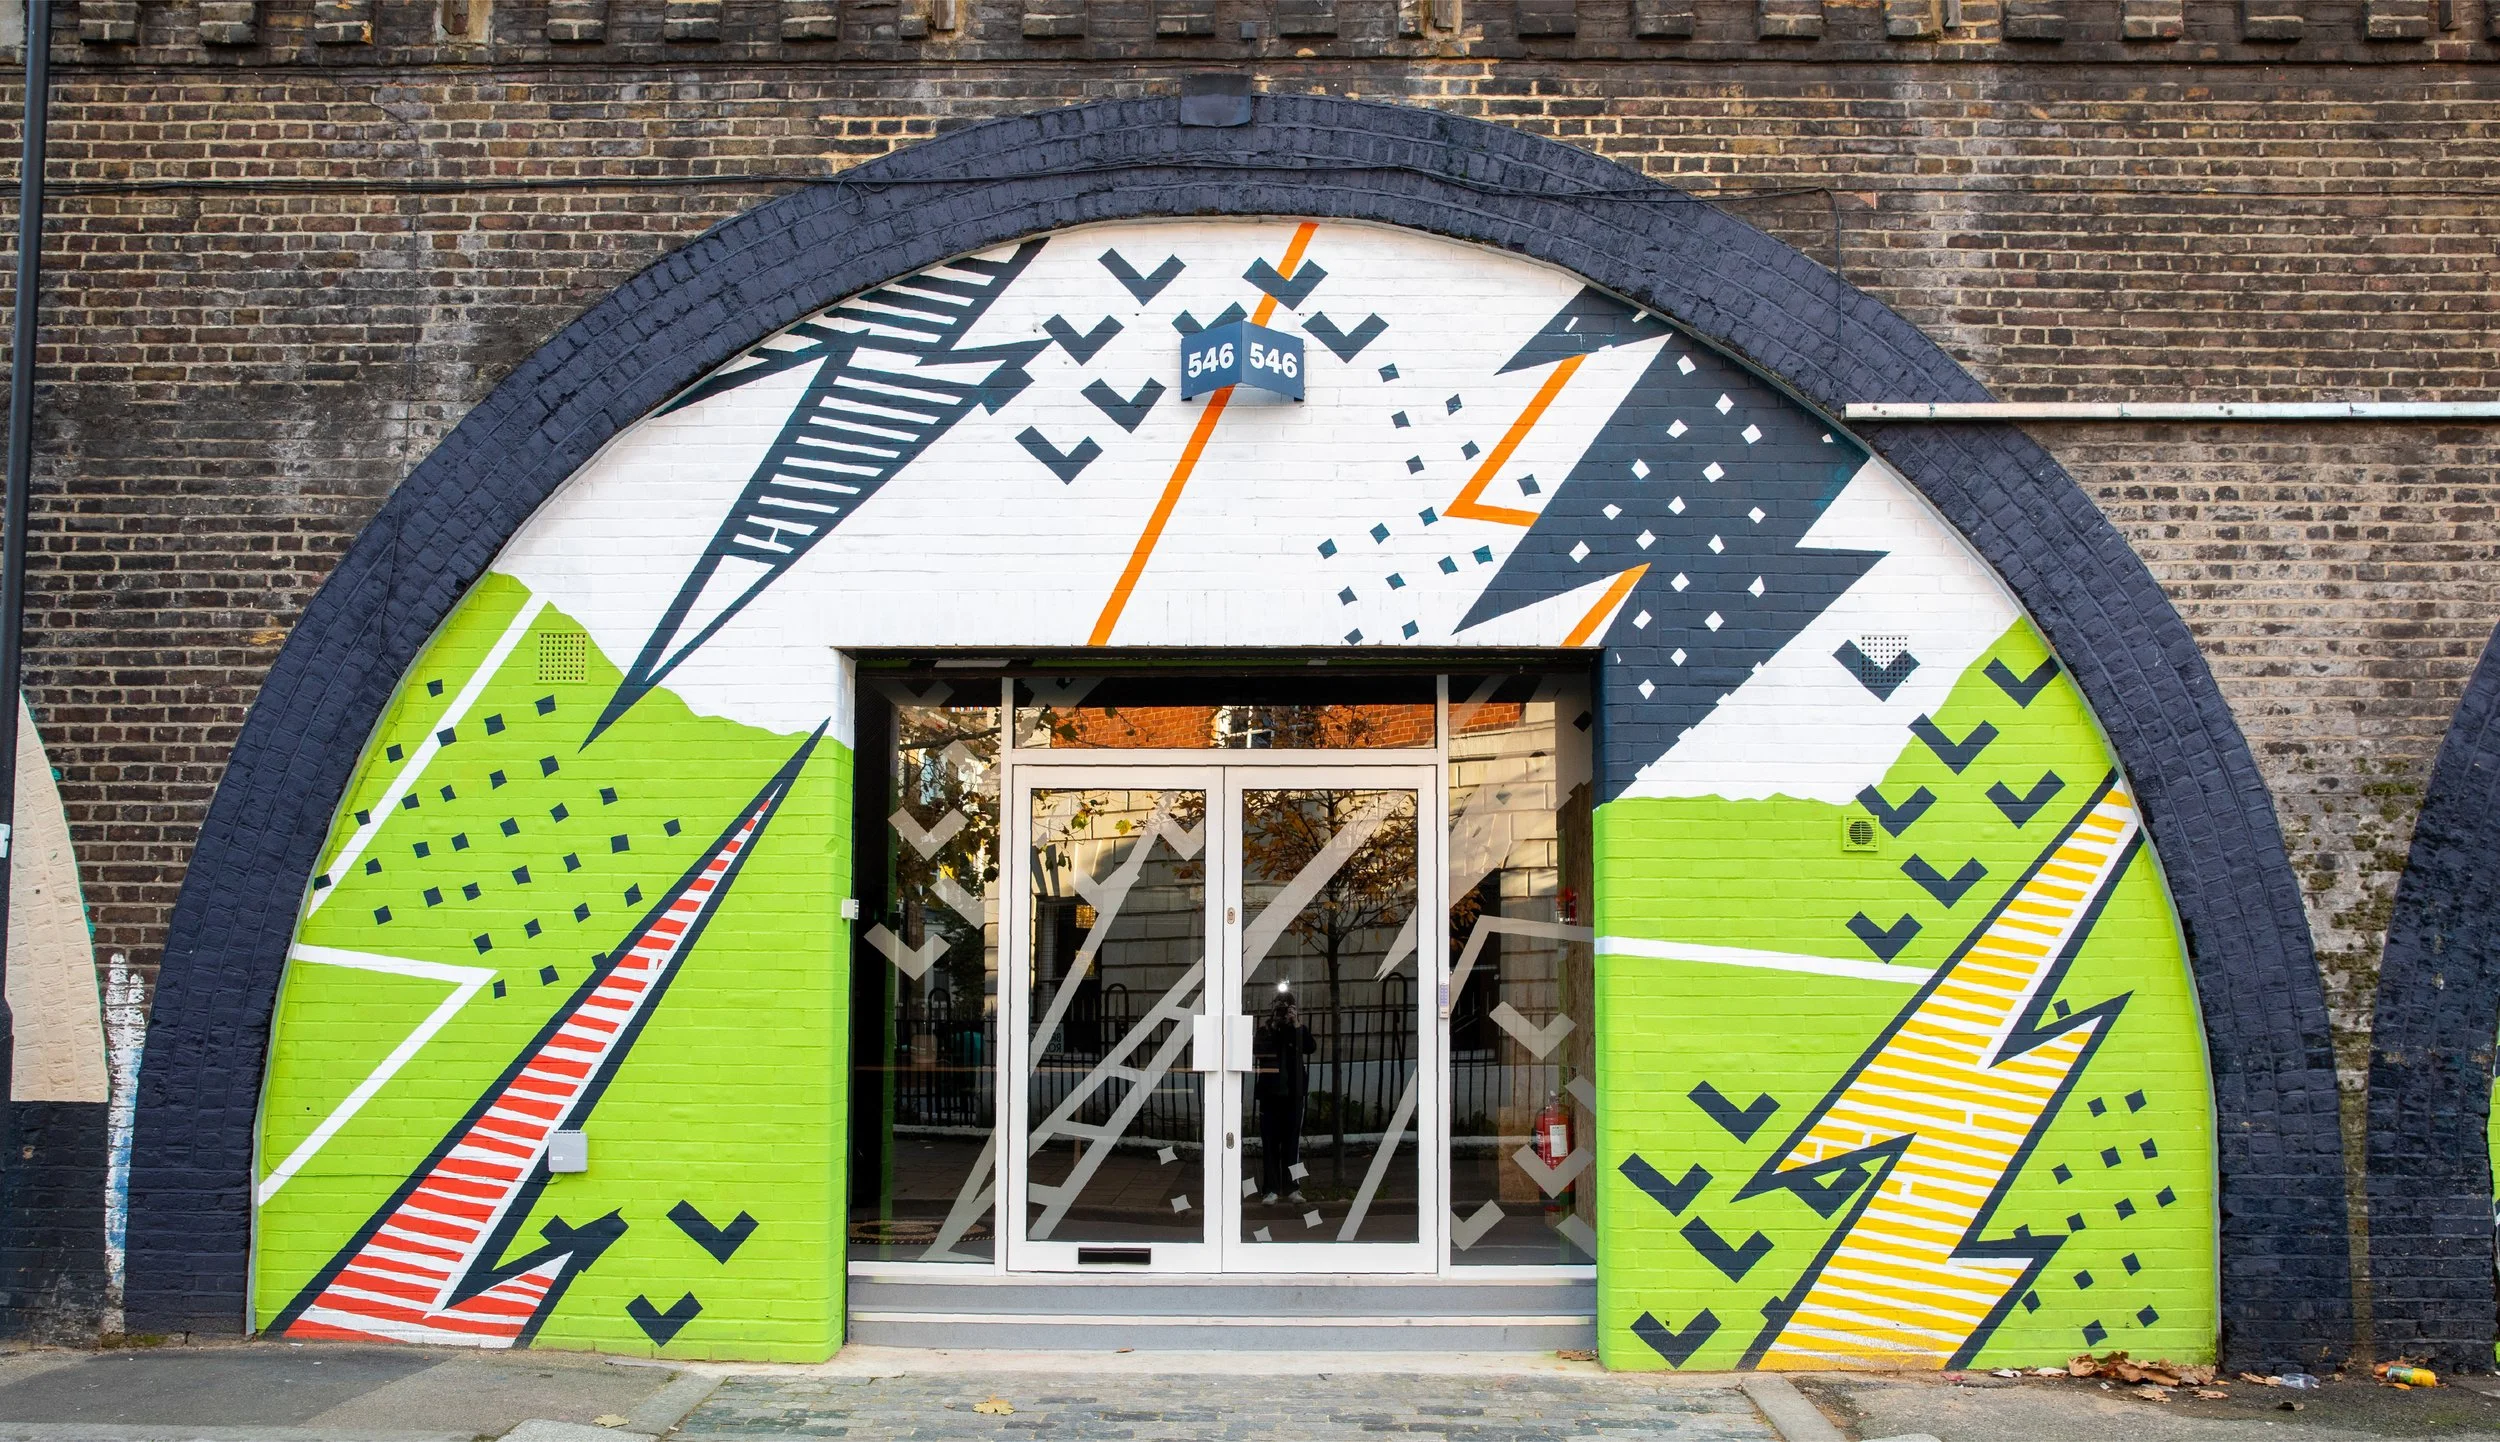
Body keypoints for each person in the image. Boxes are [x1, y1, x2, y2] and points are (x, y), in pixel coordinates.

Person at [1253, 992, 1316, 1203]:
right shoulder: (1265, 1030)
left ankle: (1293, 1188)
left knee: (1292, 1144)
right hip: (1270, 1095)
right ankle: (1270, 1189)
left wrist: (1296, 1025)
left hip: (1293, 1094)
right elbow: (1258, 1052)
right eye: (1279, 1008)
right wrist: (1272, 1027)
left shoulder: (1296, 1030)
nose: (1282, 1012)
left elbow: (1310, 1047)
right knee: (1270, 1144)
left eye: (1286, 1008)